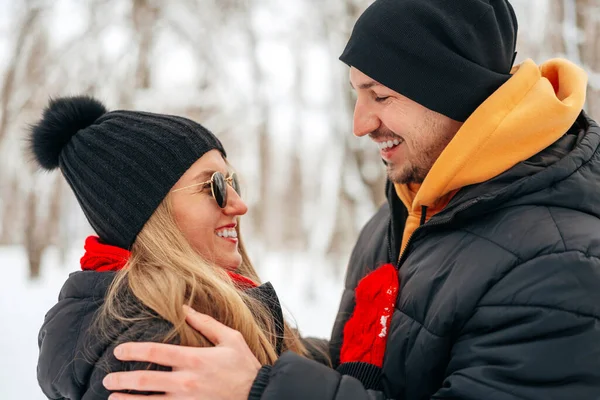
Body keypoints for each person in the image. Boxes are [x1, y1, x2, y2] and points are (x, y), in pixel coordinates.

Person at [100, 0, 600, 399]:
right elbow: (369, 373)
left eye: (380, 96)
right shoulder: (404, 215)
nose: (360, 124)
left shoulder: (563, 261)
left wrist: (261, 390)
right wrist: (243, 349)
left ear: (454, 91)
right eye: (356, 96)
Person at [33, 95, 327, 400]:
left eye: (232, 182)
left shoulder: (194, 311)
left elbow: (303, 360)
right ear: (150, 215)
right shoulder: (160, 345)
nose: (239, 206)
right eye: (213, 186)